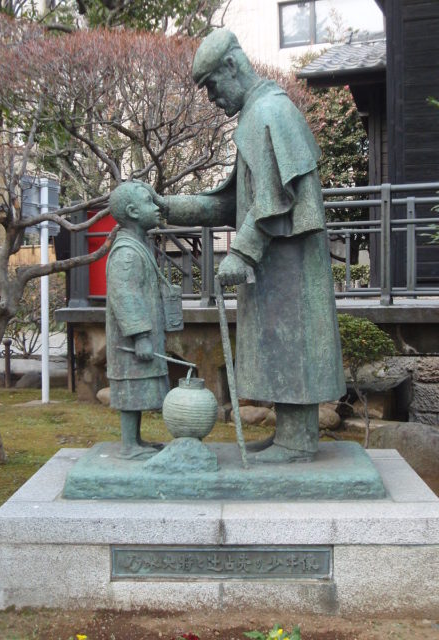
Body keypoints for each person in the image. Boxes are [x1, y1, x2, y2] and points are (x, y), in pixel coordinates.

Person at [156, 30, 346, 463]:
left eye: (210, 85)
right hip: (276, 265)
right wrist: (168, 206)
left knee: (293, 345)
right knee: (281, 347)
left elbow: (279, 196)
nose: (210, 98)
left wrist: (241, 252)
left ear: (230, 66)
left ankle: (297, 440)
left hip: (291, 266)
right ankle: (289, 436)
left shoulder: (272, 112)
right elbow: (232, 202)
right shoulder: (257, 114)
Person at [107, 181, 168, 459]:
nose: (157, 208)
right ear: (132, 211)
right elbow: (124, 295)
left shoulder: (137, 244)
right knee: (130, 389)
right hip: (130, 342)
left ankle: (137, 441)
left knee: (138, 389)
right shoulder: (127, 252)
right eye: (149, 202)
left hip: (141, 338)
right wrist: (140, 335)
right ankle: (129, 445)